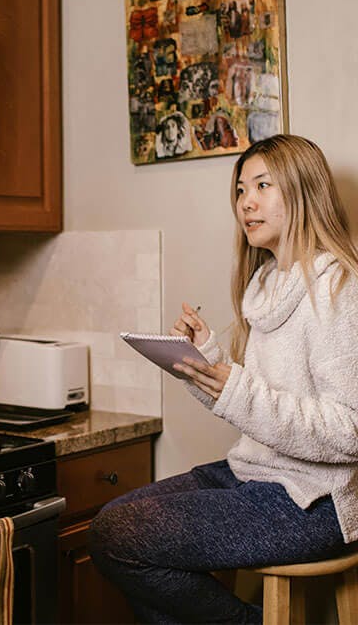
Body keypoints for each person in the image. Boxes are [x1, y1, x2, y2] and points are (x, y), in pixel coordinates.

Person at [89, 134, 358, 623]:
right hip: (253, 474)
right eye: (239, 189)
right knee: (110, 527)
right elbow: (261, 400)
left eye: (261, 186)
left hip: (315, 500)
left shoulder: (339, 287)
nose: (245, 202)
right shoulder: (267, 283)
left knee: (123, 537)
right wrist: (205, 361)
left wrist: (233, 386)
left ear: (302, 190)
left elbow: (348, 432)